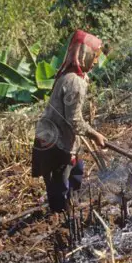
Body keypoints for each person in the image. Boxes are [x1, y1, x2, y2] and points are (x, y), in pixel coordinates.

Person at [31, 30, 108, 213]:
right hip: (55, 143)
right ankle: (61, 220)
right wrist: (95, 134)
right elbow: (73, 120)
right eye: (94, 56)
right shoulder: (74, 81)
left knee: (76, 173)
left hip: (57, 139)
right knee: (60, 188)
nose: (96, 61)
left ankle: (70, 210)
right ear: (84, 54)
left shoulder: (71, 76)